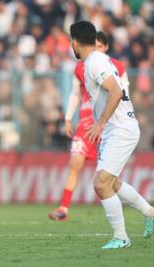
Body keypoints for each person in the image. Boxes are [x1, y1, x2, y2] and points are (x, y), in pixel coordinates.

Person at [69, 21, 154, 249]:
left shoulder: (94, 62)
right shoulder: (97, 60)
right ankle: (150, 213)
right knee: (111, 182)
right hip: (116, 128)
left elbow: (116, 90)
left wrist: (100, 123)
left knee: (101, 184)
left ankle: (121, 237)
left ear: (75, 41)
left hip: (120, 128)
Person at [48, 31, 129, 221]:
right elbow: (76, 93)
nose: (97, 49)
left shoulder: (117, 66)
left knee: (108, 175)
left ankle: (125, 206)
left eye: (101, 46)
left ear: (106, 47)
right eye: (95, 45)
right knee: (75, 162)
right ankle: (64, 208)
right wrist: (69, 117)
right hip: (85, 123)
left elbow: (124, 92)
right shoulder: (81, 67)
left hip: (106, 123)